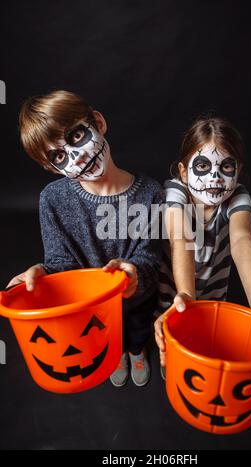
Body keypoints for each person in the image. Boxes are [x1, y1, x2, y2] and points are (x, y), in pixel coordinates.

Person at [7, 90, 162, 387]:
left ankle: (137, 350)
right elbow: (59, 261)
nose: (77, 157)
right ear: (51, 167)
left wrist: (135, 275)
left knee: (138, 326)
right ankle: (114, 352)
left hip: (137, 300)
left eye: (77, 137)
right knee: (106, 337)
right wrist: (44, 275)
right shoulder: (52, 199)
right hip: (90, 314)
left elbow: (151, 260)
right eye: (60, 156)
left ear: (98, 123)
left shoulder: (150, 193)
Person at [154, 116, 251, 373]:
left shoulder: (237, 195)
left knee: (205, 332)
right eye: (203, 167)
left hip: (212, 288)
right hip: (173, 289)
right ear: (184, 172)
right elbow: (181, 237)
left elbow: (242, 238)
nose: (215, 177)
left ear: (238, 170)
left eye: (226, 168)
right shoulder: (175, 192)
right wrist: (186, 295)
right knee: (171, 330)